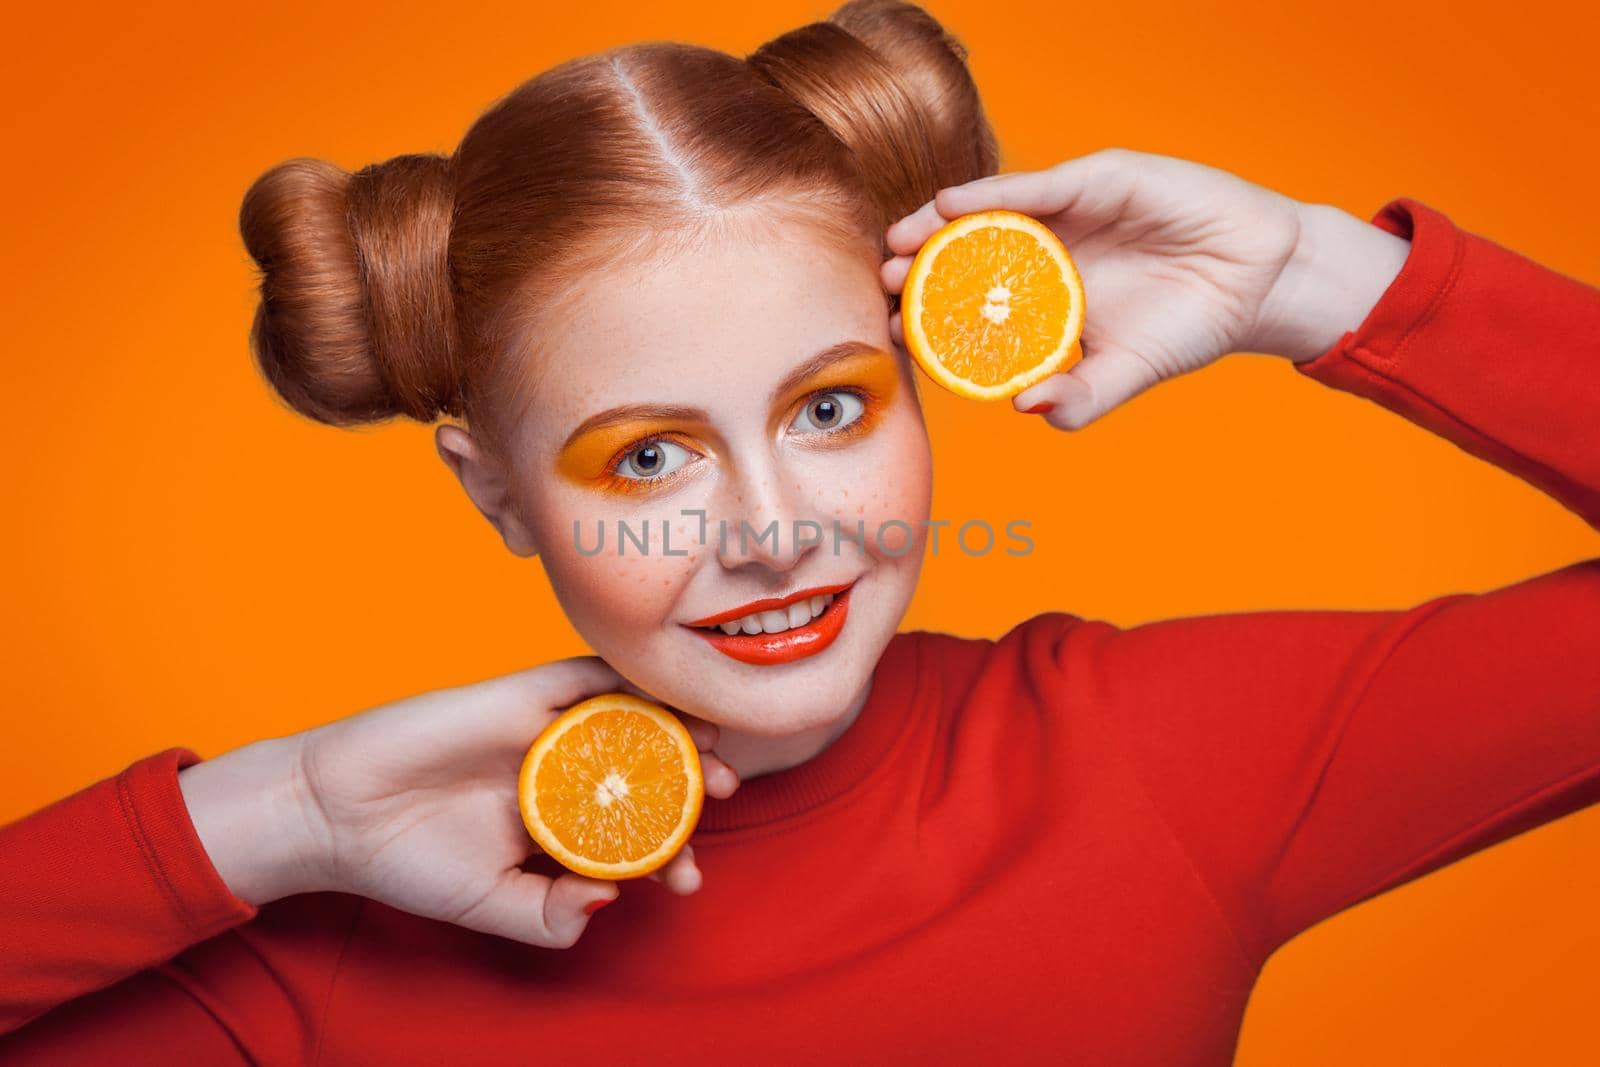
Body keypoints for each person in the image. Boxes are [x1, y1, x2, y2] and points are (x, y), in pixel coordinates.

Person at [2, 0, 1596, 1062]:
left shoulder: (1152, 759)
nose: (771, 534)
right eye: (647, 458)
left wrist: (1318, 280)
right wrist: (262, 817)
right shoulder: (349, 931)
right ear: (494, 490)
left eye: (831, 410)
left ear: (921, 382)